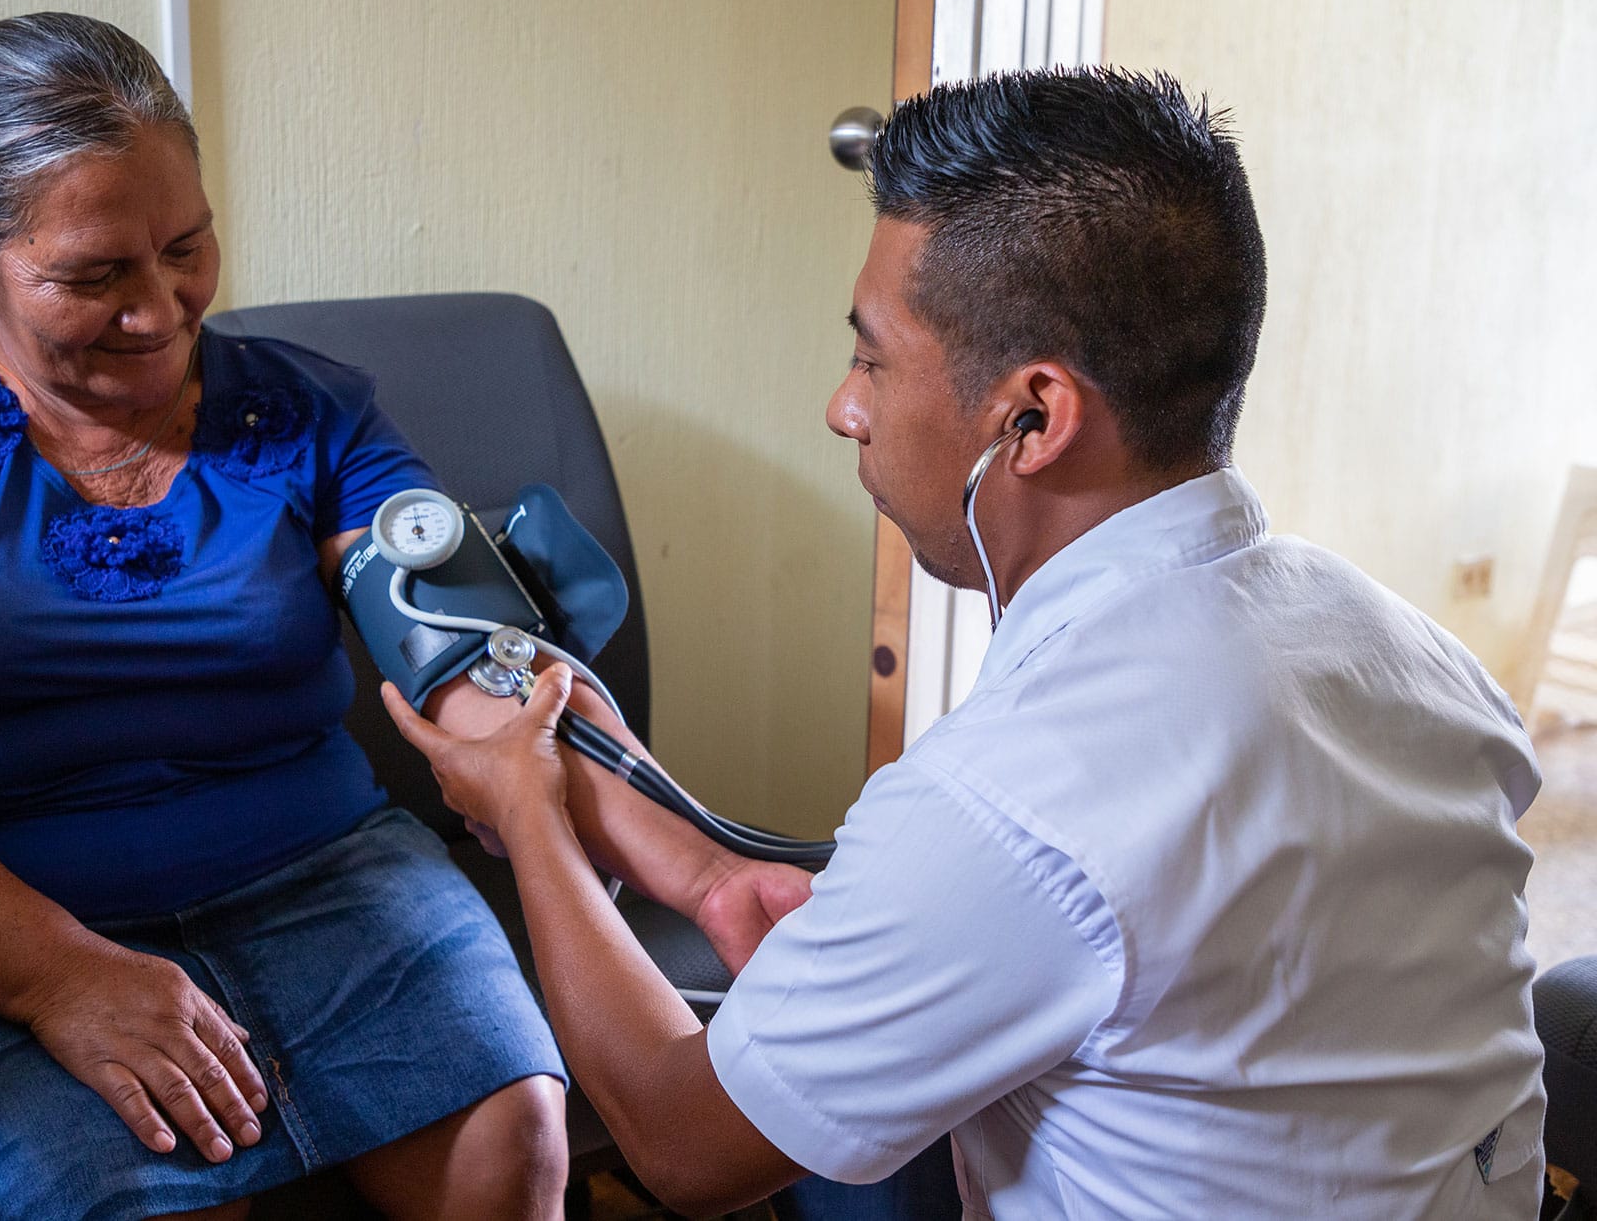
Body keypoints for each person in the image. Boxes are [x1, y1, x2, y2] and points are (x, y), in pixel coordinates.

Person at [383, 68, 1550, 1218]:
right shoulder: (1403, 648)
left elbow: (683, 1145)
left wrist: (529, 813)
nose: (843, 407)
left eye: (871, 357)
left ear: (1031, 418)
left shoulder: (1011, 799)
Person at [0, 12, 571, 1221]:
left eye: (186, 246)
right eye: (94, 275)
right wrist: (58, 978)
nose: (162, 308)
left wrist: (697, 864)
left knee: (513, 1135)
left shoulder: (308, 410)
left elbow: (472, 653)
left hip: (329, 875)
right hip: (8, 911)